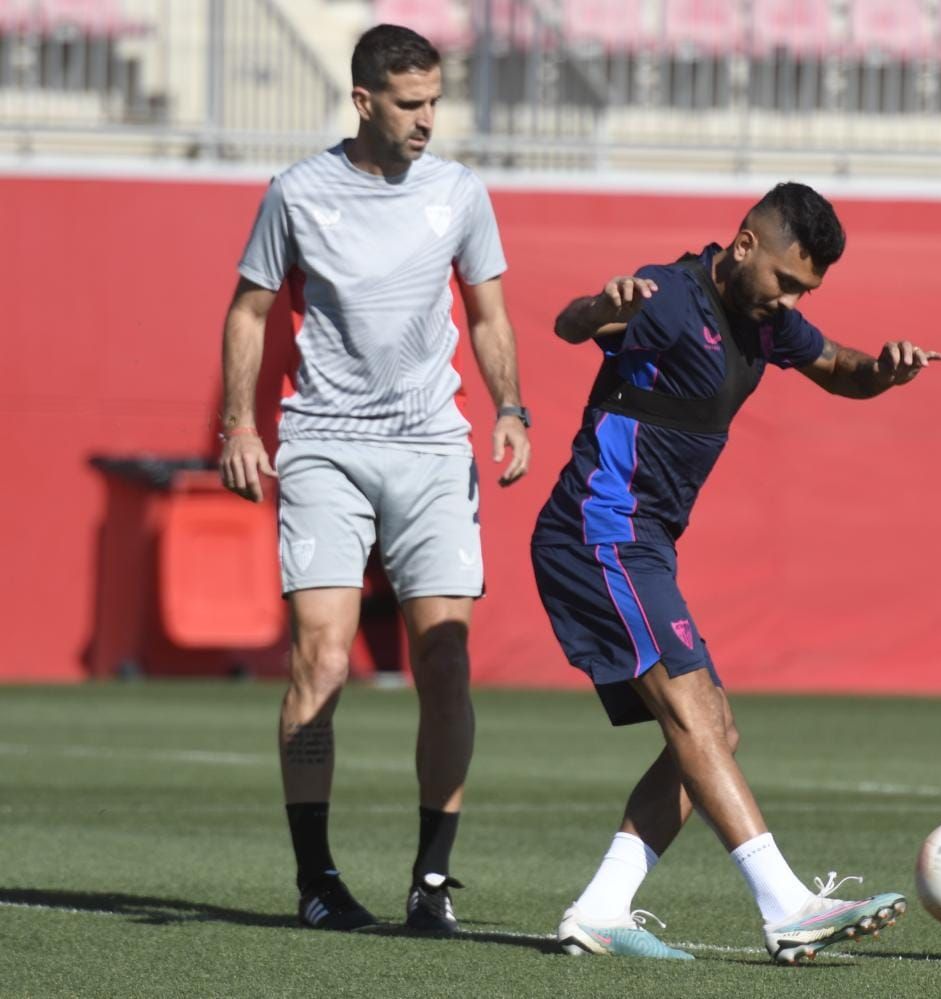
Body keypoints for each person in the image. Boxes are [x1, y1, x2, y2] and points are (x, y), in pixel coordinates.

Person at [531, 182, 941, 964]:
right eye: (788, 281)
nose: (792, 300)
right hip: (599, 529)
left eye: (807, 290)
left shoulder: (767, 321)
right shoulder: (667, 296)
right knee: (694, 718)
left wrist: (884, 370)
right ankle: (787, 904)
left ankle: (600, 905)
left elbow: (838, 366)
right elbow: (571, 323)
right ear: (745, 244)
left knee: (714, 728)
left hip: (642, 540)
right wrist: (598, 305)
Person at [216, 24, 531, 934]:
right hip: (322, 444)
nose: (428, 119)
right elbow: (249, 309)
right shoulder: (297, 193)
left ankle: (431, 882)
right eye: (409, 104)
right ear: (363, 102)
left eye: (435, 101)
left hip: (434, 447)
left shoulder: (461, 192)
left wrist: (512, 407)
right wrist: (240, 420)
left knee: (444, 656)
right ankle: (316, 877)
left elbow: (490, 313)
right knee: (320, 657)